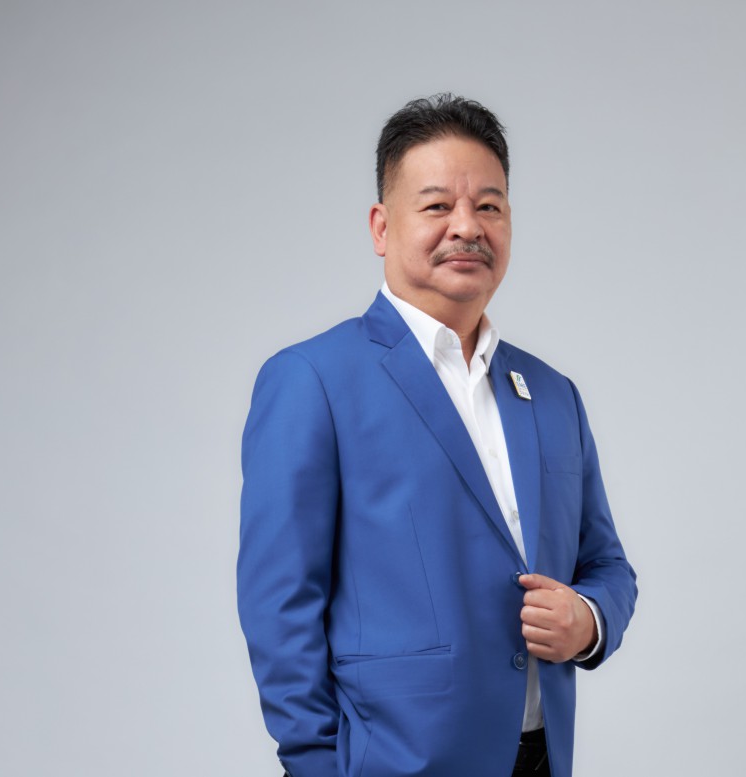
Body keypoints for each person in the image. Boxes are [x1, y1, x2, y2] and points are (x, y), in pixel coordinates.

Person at [238, 93, 637, 777]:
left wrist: (588, 619)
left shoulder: (552, 394)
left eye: (489, 206)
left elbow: (608, 565)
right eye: (436, 206)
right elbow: (280, 606)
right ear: (381, 227)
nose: (467, 226)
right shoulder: (313, 380)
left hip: (544, 758)